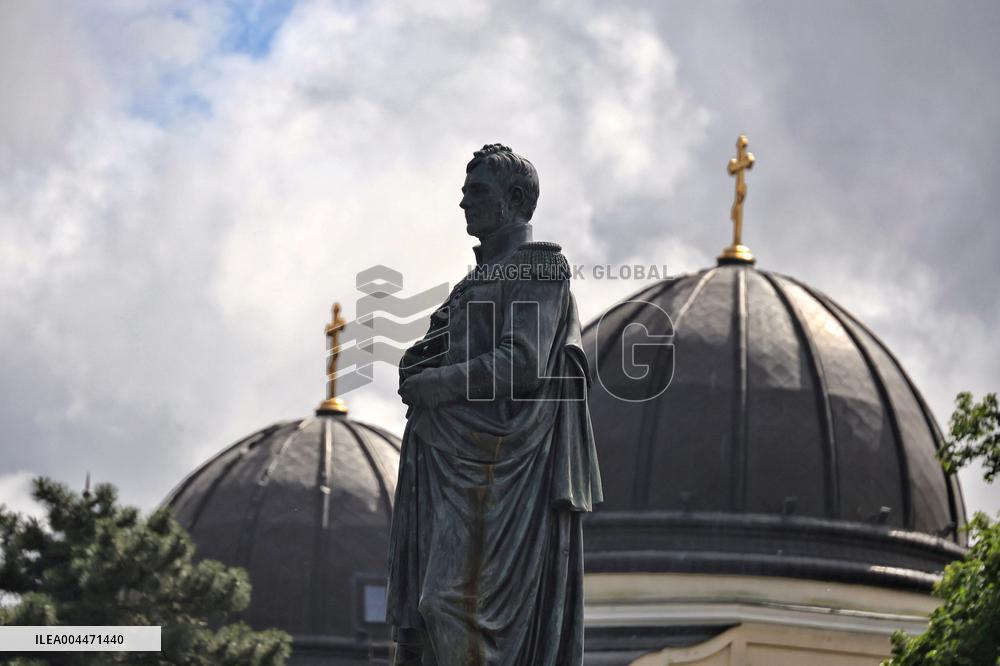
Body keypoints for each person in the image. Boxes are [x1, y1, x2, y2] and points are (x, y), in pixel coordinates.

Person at [387, 144, 603, 665]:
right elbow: (435, 352)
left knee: (450, 604)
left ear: (517, 200)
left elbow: (522, 362)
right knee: (429, 620)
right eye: (465, 192)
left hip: (502, 470)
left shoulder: (540, 266)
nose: (464, 202)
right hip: (448, 462)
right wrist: (417, 367)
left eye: (477, 191)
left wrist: (437, 385)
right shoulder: (476, 280)